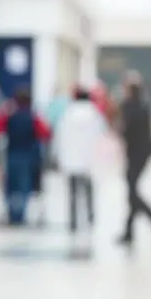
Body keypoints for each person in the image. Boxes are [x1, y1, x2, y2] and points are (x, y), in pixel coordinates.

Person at [0, 87, 51, 225]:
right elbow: (46, 133)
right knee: (24, 187)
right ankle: (20, 215)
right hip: (29, 157)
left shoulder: (8, 117)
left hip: (12, 155)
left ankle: (12, 214)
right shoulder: (34, 118)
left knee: (11, 186)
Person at [53, 87, 106, 232]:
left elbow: (59, 136)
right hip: (88, 159)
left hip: (71, 158)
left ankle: (73, 221)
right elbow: (101, 134)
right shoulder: (94, 114)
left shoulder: (67, 114)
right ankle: (90, 217)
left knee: (73, 192)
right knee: (88, 190)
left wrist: (57, 155)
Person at [117, 82, 151, 247]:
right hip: (141, 154)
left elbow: (127, 131)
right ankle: (128, 232)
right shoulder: (142, 106)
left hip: (137, 155)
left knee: (133, 194)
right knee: (132, 193)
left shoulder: (131, 108)